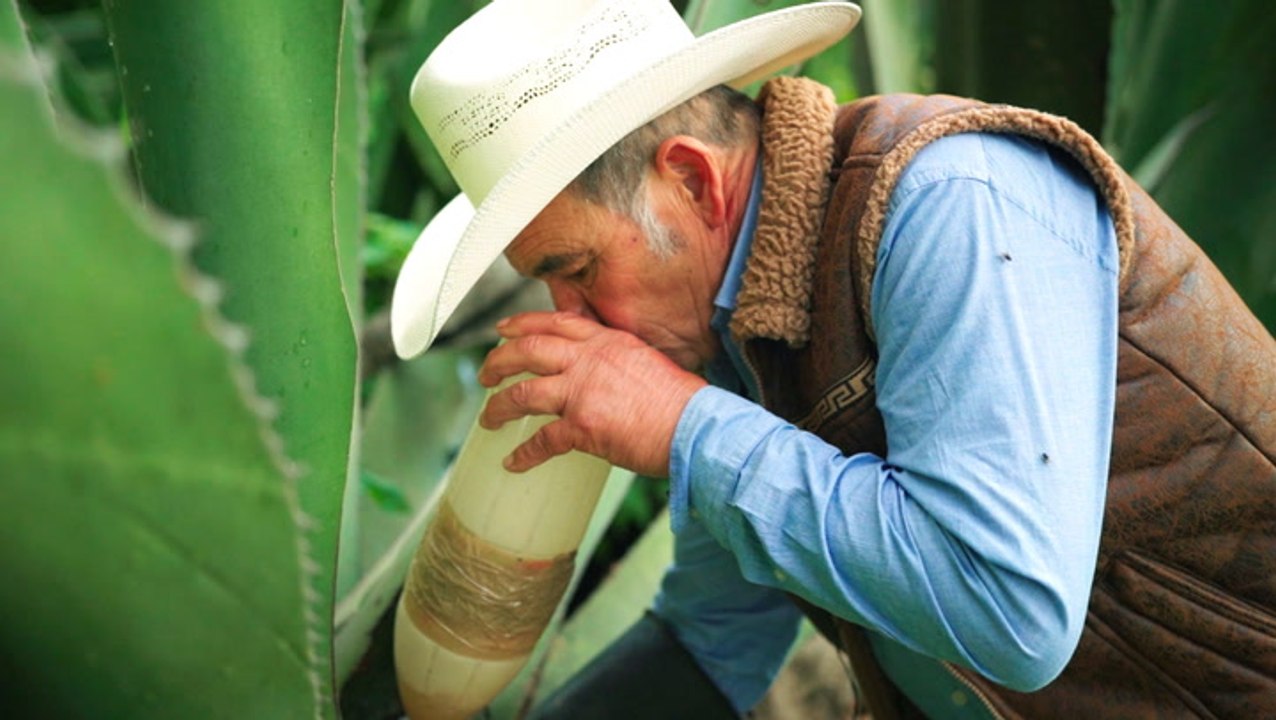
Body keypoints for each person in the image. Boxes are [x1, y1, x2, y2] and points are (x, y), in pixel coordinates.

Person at [390, 1, 1276, 717]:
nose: (572, 320)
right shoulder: (739, 334)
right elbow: (713, 641)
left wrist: (682, 424)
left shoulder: (949, 203)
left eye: (577, 271)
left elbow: (1014, 614)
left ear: (693, 182)